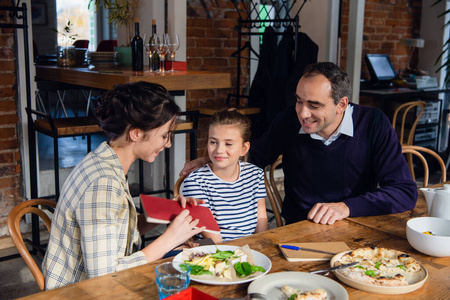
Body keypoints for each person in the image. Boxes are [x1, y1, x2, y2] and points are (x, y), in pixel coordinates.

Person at [181, 62, 417, 226]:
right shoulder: (288, 119)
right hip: (299, 228)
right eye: (298, 101)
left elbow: (404, 192)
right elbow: (253, 157)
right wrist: (214, 160)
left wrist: (346, 207)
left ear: (341, 104)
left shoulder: (374, 123)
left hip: (358, 225)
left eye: (314, 105)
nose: (303, 114)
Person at [42, 82, 205, 290]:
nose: (168, 143)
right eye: (165, 135)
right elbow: (106, 276)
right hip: (80, 293)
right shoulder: (103, 184)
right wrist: (170, 238)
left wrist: (168, 213)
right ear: (135, 134)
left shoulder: (104, 161)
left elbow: (115, 232)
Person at [181, 109, 269, 243]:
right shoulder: (196, 181)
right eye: (213, 142)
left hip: (250, 247)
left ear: (244, 149)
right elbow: (212, 238)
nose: (219, 150)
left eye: (228, 144)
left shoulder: (255, 175)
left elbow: (261, 219)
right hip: (213, 252)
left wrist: (261, 245)